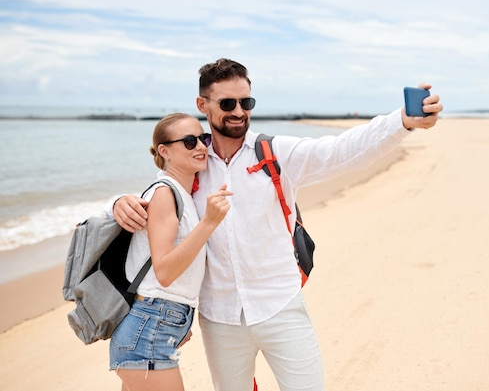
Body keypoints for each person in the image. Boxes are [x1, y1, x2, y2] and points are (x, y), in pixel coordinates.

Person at [112, 58, 442, 391]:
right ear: (203, 105)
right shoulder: (193, 160)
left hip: (280, 304)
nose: (239, 111)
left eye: (246, 102)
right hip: (220, 317)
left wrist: (402, 121)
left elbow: (343, 151)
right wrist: (117, 203)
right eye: (227, 103)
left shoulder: (275, 152)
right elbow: (159, 192)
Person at [109, 113, 232, 391]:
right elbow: (164, 272)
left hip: (158, 325)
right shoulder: (165, 193)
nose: (201, 147)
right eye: (189, 141)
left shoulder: (182, 195)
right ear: (164, 151)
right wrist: (210, 222)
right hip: (150, 327)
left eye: (204, 138)